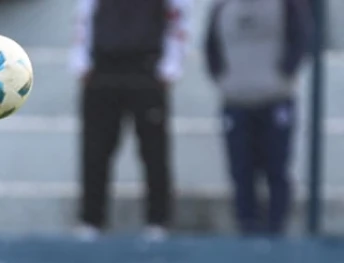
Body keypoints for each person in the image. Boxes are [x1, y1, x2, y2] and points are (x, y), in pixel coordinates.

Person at [71, 0, 190, 240]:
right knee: (95, 149)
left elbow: (179, 14)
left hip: (146, 66)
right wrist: (80, 59)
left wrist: (172, 64)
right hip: (103, 66)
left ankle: (158, 219)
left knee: (154, 150)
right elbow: (84, 12)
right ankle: (92, 218)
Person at [204, 0, 312, 235]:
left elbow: (300, 38)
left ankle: (276, 226)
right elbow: (211, 49)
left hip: (274, 99)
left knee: (276, 168)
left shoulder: (286, 6)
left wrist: (284, 74)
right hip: (236, 101)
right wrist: (226, 81)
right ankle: (246, 225)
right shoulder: (222, 8)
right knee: (241, 170)